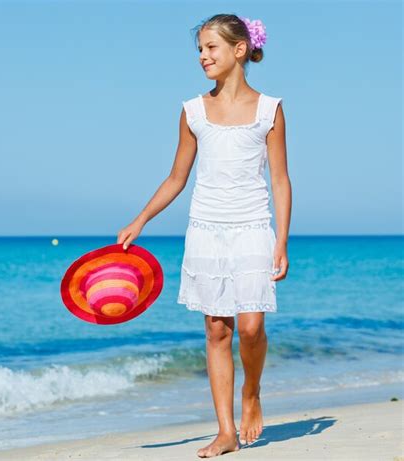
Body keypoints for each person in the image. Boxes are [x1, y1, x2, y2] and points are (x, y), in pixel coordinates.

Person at [117, 13, 291, 458]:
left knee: (251, 328)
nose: (202, 57)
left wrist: (281, 240)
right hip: (206, 231)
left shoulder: (270, 109)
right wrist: (141, 220)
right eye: (199, 49)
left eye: (210, 48)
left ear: (238, 50)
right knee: (217, 330)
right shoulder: (192, 111)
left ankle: (251, 393)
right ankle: (226, 430)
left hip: (253, 227)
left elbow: (280, 180)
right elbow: (177, 177)